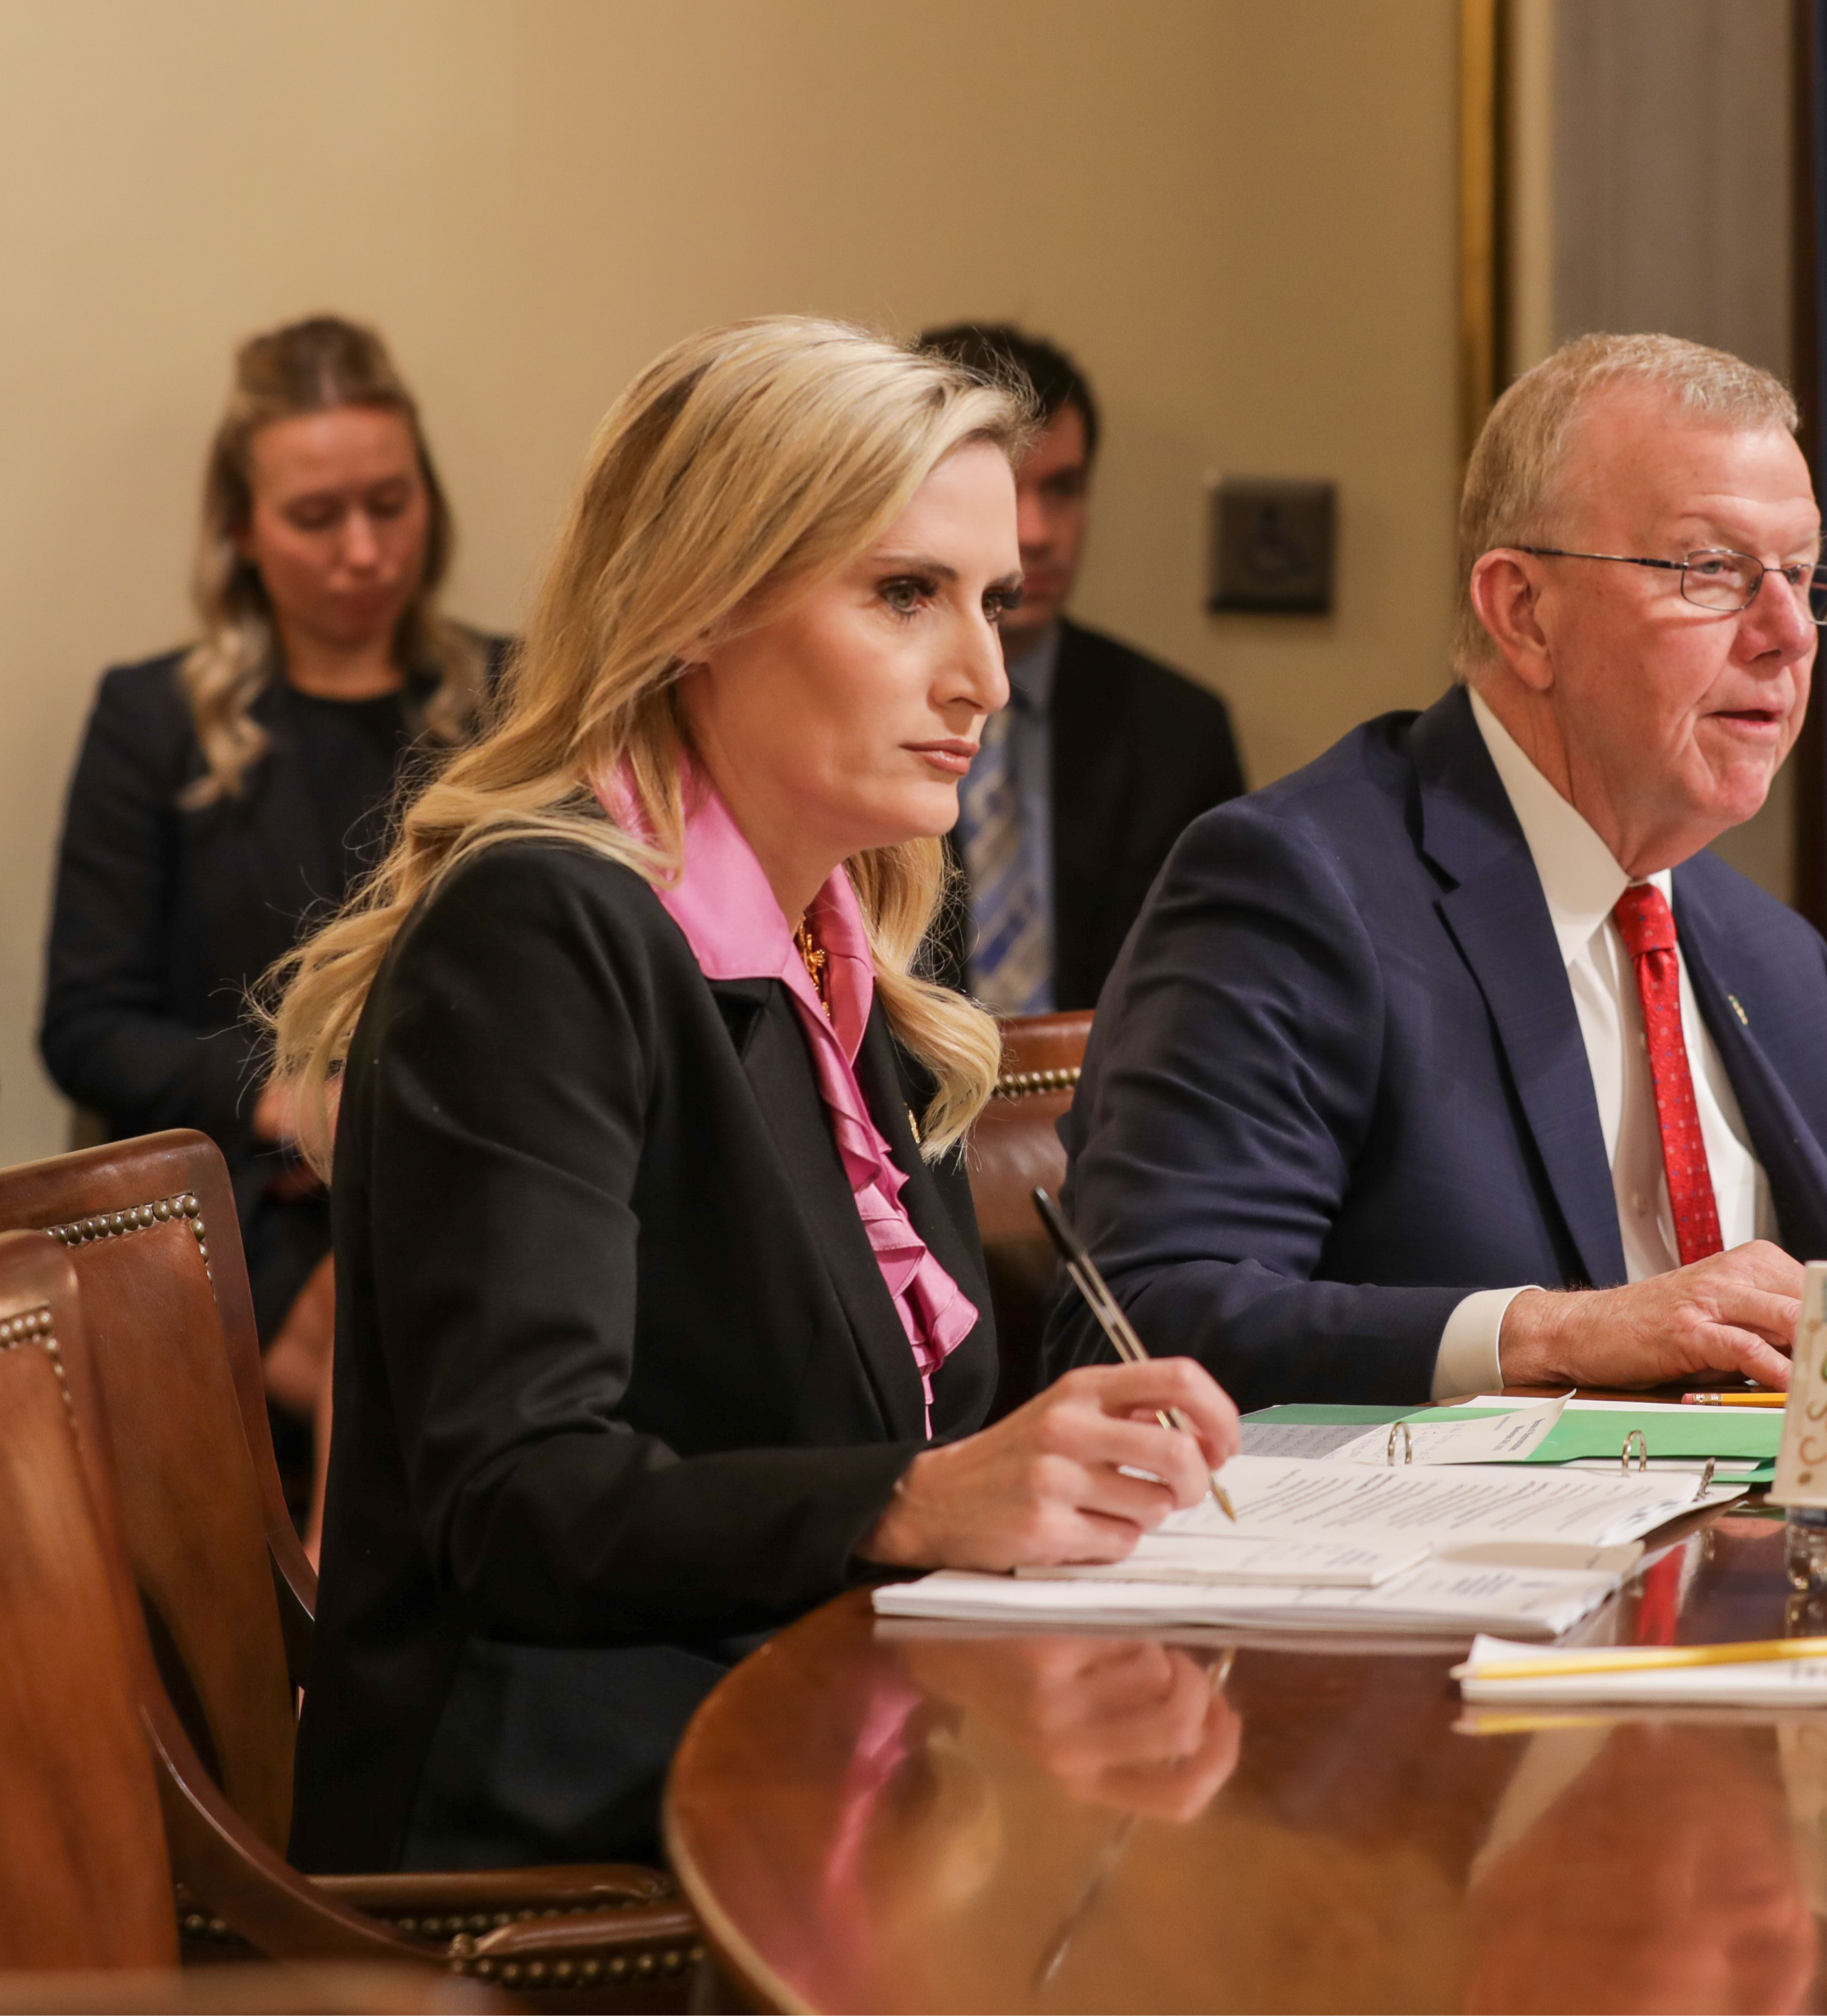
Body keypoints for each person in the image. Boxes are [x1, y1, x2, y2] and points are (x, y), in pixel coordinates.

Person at [267, 318, 1239, 1873]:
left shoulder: (840, 949)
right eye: (907, 593)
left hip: (825, 1750)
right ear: (699, 604)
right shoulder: (542, 927)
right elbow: (514, 1499)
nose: (985, 673)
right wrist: (920, 1497)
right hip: (560, 1828)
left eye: (994, 602)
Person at [1056, 333, 1827, 1412]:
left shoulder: (1775, 958)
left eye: (1801, 574)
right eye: (1711, 570)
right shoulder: (1298, 888)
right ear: (1522, 612)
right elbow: (1139, 1320)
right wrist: (1556, 1328)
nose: (1784, 634)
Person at [42, 316, 493, 1417]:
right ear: (241, 529)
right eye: (314, 517)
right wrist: (288, 1103)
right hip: (257, 1191)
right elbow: (89, 1027)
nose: (362, 551)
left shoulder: (509, 702)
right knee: (383, 1338)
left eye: (390, 505)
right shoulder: (153, 721)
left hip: (473, 1165)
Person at [910, 321, 1247, 1009]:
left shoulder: (1178, 730)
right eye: (1008, 487)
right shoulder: (858, 708)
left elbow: (1216, 982)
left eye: (1062, 489)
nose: (1036, 532)